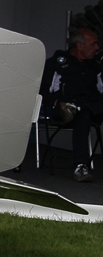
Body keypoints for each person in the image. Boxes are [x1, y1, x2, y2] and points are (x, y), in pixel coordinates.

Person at [41, 28, 103, 182]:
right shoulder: (57, 63)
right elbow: (44, 92)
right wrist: (58, 104)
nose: (97, 47)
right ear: (80, 46)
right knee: (83, 114)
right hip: (65, 110)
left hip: (93, 107)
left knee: (85, 110)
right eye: (93, 44)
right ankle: (81, 166)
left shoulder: (95, 66)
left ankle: (82, 108)